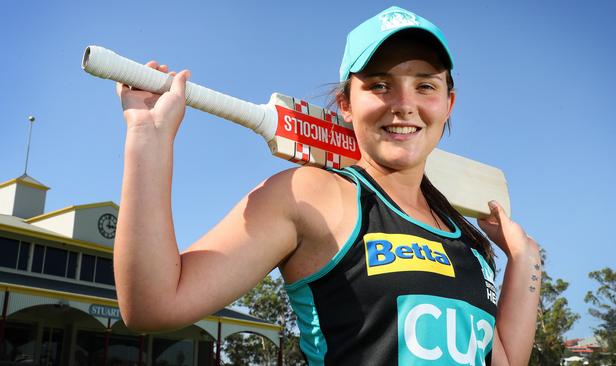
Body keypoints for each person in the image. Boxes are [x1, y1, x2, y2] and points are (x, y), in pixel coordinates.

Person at [114, 6, 541, 366]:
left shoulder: (465, 242)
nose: (404, 105)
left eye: (425, 86)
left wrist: (525, 259)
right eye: (379, 85)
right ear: (346, 104)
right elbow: (154, 305)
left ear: (448, 102)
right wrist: (148, 138)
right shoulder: (311, 195)